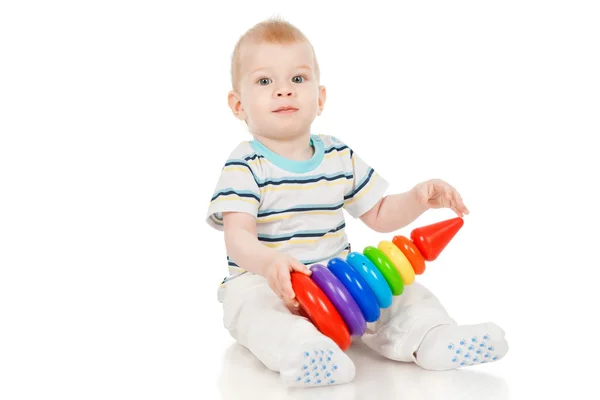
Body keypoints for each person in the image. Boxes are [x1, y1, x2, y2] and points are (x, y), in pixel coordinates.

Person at [205, 17, 508, 388]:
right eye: (265, 81)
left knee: (402, 292)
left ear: (320, 98)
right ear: (238, 105)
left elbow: (379, 214)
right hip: (266, 281)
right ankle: (306, 351)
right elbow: (237, 238)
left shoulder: (337, 155)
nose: (283, 91)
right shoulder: (244, 164)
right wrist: (270, 265)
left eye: (297, 79)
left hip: (339, 283)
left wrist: (417, 198)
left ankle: (432, 336)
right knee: (255, 312)